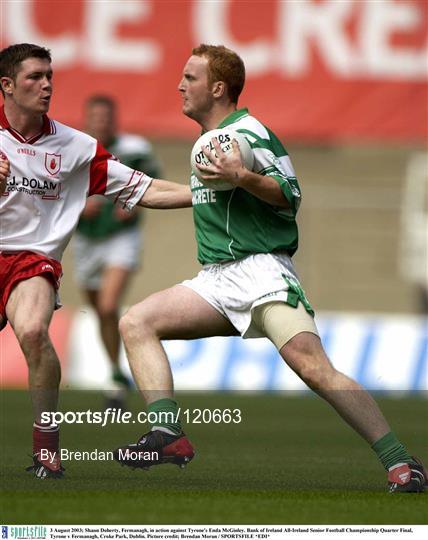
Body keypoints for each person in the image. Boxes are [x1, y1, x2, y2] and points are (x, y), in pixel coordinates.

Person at [114, 44, 427, 493]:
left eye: (191, 77)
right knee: (137, 321)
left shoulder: (245, 134)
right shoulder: (213, 144)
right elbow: (179, 193)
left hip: (262, 273)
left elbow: (288, 195)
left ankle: (401, 462)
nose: (180, 85)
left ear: (218, 88)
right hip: (217, 280)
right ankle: (167, 436)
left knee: (313, 368)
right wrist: (113, 184)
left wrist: (244, 178)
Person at [0, 43, 191, 479]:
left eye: (49, 75)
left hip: (31, 260)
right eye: (34, 77)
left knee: (32, 330)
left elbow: (144, 188)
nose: (46, 84)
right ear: (6, 85)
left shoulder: (76, 148)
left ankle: (46, 449)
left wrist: (209, 193)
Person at [73, 95, 162, 409]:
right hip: (85, 240)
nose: (101, 122)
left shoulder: (134, 149)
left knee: (109, 305)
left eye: (105, 117)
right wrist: (77, 206)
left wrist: (135, 204)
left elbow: (153, 183)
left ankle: (117, 376)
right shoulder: (74, 148)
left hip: (122, 237)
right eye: (95, 116)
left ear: (114, 119)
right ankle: (115, 371)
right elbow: (56, 189)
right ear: (87, 119)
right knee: (100, 310)